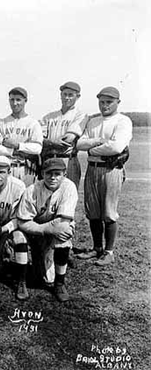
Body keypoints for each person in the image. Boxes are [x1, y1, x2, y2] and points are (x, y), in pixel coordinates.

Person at [76, 87, 133, 266]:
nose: (105, 105)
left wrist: (92, 149)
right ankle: (97, 248)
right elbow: (79, 143)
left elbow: (116, 148)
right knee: (92, 211)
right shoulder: (93, 121)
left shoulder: (123, 120)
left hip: (111, 169)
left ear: (117, 102)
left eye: (109, 102)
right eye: (102, 101)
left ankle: (109, 252)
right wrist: (97, 143)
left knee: (108, 212)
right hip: (92, 168)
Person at [16, 158, 78, 302]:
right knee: (18, 235)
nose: (53, 177)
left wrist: (44, 229)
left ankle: (59, 283)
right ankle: (21, 282)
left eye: (57, 173)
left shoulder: (69, 187)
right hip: (35, 232)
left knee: (65, 234)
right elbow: (23, 222)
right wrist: (43, 230)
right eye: (49, 173)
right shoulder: (32, 189)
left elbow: (62, 225)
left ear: (64, 174)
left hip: (52, 232)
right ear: (42, 173)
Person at [41, 82, 89, 189]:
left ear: (78, 96)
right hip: (49, 160)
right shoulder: (49, 117)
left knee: (68, 194)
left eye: (71, 95)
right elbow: (39, 139)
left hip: (68, 159)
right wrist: (51, 142)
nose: (67, 98)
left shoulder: (80, 115)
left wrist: (48, 142)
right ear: (60, 95)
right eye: (65, 94)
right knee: (46, 195)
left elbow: (67, 140)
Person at [0, 87, 43, 186]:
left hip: (27, 168)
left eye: (18, 100)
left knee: (26, 197)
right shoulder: (2, 122)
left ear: (25, 100)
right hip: (7, 167)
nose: (15, 103)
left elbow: (37, 148)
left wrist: (18, 145)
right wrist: (14, 151)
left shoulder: (33, 123)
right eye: (12, 100)